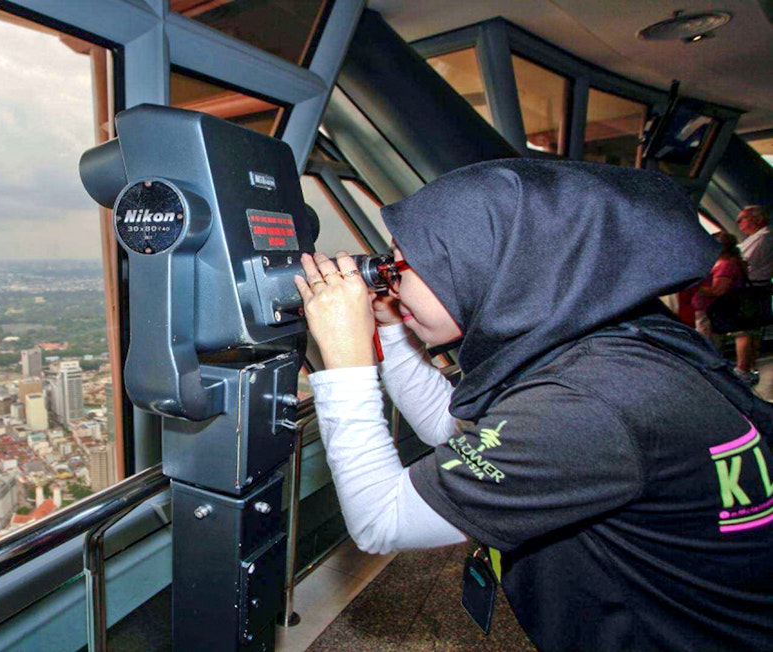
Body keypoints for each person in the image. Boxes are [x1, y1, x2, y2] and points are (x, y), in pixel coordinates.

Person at [294, 159, 773, 652]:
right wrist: (391, 329)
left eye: (403, 264)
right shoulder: (605, 342)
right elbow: (451, 428)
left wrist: (343, 361)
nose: (388, 282)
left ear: (485, 262)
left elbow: (383, 520)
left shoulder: (589, 403)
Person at [734, 204, 773, 385]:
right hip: (759, 289)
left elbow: (744, 261)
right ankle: (749, 367)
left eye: (743, 218)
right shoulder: (763, 238)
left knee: (744, 330)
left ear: (757, 220)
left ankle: (742, 369)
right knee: (754, 331)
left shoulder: (762, 239)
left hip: (751, 291)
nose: (738, 222)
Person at [691, 231, 747, 344]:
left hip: (711, 311)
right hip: (707, 311)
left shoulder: (725, 265)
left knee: (708, 344)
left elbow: (718, 290)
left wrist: (693, 286)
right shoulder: (722, 263)